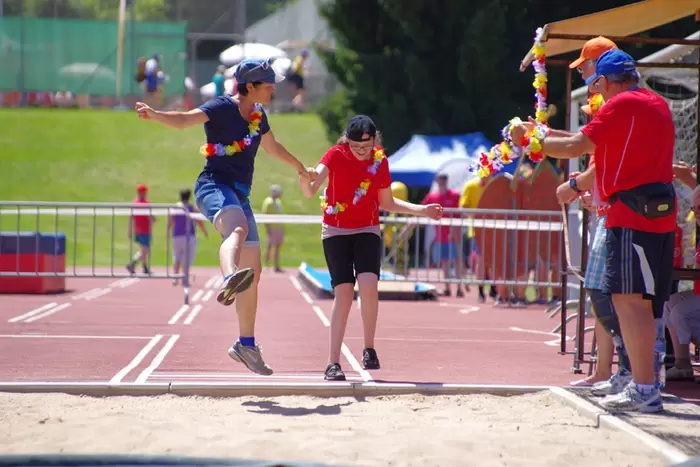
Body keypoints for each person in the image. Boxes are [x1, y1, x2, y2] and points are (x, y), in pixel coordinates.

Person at [512, 49, 677, 412]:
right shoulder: (655, 103)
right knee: (641, 304)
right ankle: (642, 384)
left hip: (632, 214)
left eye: (595, 83)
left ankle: (644, 387)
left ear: (604, 81)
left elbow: (575, 145)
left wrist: (529, 141)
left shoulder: (621, 106)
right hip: (658, 213)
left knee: (628, 301)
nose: (595, 90)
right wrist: (540, 132)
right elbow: (586, 138)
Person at [135, 57, 316, 376]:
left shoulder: (259, 115)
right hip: (213, 187)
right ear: (250, 87)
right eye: (268, 84)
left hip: (240, 194)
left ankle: (246, 344)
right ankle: (229, 275)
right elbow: (184, 120)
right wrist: (155, 115)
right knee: (237, 229)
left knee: (255, 271)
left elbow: (272, 148)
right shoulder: (221, 107)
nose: (273, 88)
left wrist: (301, 168)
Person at [297, 115, 443, 381]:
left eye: (366, 147)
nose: (361, 152)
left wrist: (422, 210)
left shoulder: (380, 161)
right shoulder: (335, 155)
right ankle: (332, 362)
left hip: (367, 228)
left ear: (374, 140)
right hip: (336, 230)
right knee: (343, 294)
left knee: (368, 285)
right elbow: (311, 187)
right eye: (355, 147)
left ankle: (369, 348)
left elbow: (387, 202)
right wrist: (305, 178)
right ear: (346, 141)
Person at [553, 36, 634, 391]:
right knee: (605, 290)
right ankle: (609, 370)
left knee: (607, 290)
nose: (583, 72)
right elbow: (586, 144)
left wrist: (573, 186)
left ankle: (623, 370)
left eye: (586, 65)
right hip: (606, 205)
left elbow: (588, 152)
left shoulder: (615, 106)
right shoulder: (607, 104)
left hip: (619, 210)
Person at [167, 188, 209, 287]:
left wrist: (168, 232)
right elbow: (199, 221)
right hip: (189, 236)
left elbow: (170, 221)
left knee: (176, 256)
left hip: (177, 235)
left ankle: (175, 278)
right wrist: (204, 232)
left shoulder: (175, 207)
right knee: (186, 258)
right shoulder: (192, 208)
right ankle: (185, 280)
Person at [126, 184, 156, 275]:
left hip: (138, 229)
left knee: (143, 249)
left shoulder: (134, 203)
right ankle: (132, 263)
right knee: (145, 249)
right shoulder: (145, 203)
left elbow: (131, 217)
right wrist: (153, 219)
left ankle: (145, 267)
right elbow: (149, 215)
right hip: (145, 229)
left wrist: (130, 230)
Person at [261, 184, 285, 272]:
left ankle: (276, 265)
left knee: (277, 247)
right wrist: (267, 227)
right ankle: (266, 264)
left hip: (279, 227)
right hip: (272, 228)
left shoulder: (278, 202)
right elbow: (265, 214)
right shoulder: (268, 202)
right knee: (269, 246)